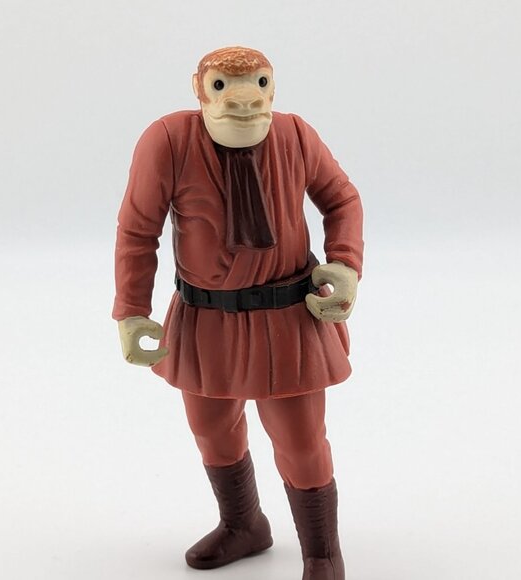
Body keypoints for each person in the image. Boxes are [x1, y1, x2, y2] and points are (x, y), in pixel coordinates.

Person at [113, 46, 364, 580]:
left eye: (259, 84)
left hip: (286, 315)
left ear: (272, 88)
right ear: (200, 89)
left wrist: (345, 263)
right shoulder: (168, 141)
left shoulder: (295, 136)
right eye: (224, 86)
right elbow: (138, 229)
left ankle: (322, 553)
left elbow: (341, 199)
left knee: (300, 441)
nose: (244, 100)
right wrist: (131, 310)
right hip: (206, 318)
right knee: (211, 429)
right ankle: (243, 523)